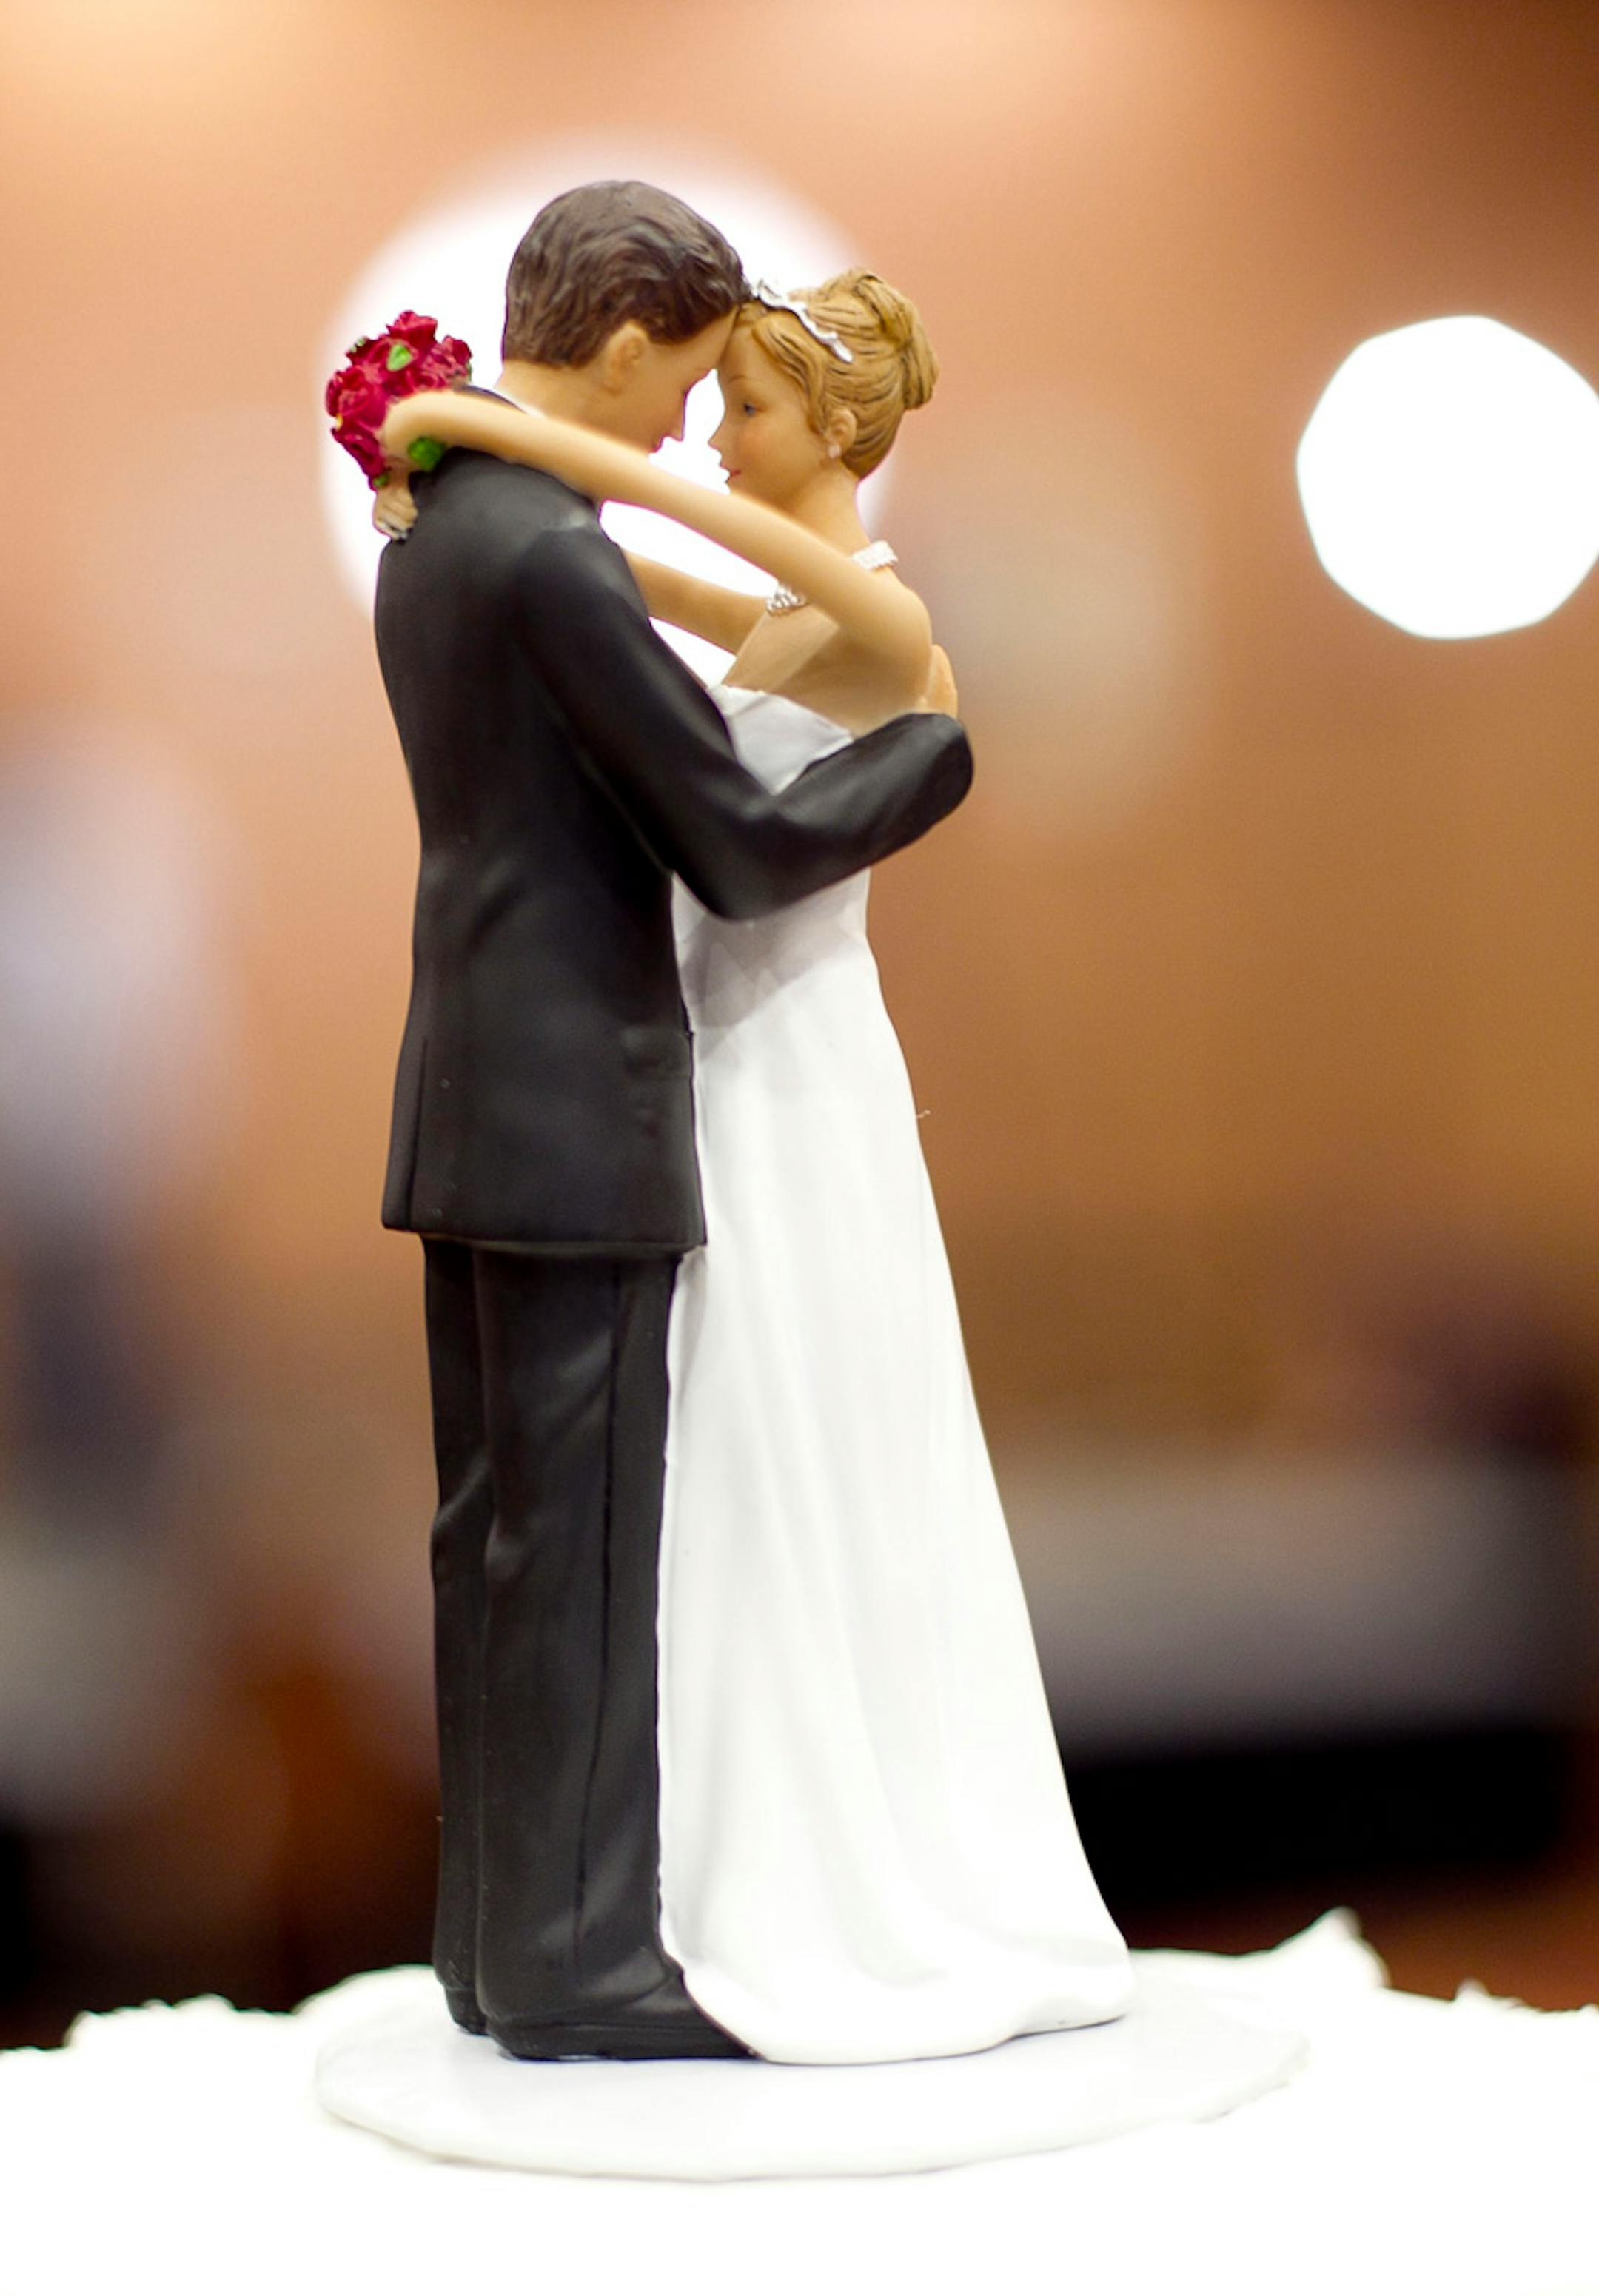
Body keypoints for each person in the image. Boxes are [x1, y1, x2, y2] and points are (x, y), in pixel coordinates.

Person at [382, 265, 1133, 2063]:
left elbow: (754, 627)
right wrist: (489, 451)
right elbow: (655, 579)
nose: (718, 432)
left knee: (770, 1441)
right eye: (713, 400)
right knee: (688, 1476)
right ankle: (665, 1886)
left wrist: (498, 439)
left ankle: (753, 1876)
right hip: (689, 1061)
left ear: (843, 429)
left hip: (785, 1066)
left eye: (759, 407)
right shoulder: (791, 612)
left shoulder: (871, 619)